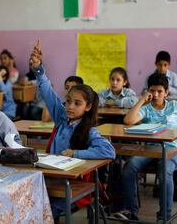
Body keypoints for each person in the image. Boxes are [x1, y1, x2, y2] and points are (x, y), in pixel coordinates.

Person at [30, 40, 115, 219]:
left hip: (74, 185)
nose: (70, 106)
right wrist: (38, 68)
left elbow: (109, 151)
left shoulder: (89, 130)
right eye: (68, 101)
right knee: (27, 204)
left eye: (77, 103)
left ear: (88, 107)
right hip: (51, 179)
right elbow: (47, 92)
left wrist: (75, 153)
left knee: (46, 212)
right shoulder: (62, 119)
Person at [122, 73, 177, 221]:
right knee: (129, 168)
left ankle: (165, 216)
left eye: (160, 91)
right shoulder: (146, 108)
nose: (156, 95)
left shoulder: (175, 106)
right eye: (152, 91)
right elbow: (128, 120)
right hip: (149, 150)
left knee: (164, 172)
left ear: (166, 92)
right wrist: (142, 100)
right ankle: (131, 211)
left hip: (172, 150)